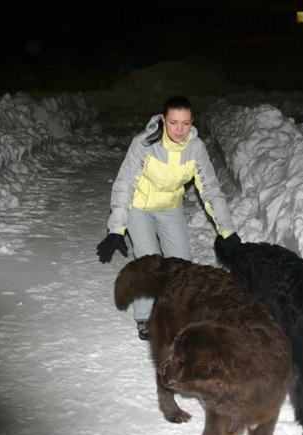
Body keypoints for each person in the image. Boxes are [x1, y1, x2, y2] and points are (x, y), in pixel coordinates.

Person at [96, 96, 236, 340]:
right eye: (173, 123)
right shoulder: (144, 144)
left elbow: (211, 189)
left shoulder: (196, 148)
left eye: (185, 123)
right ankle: (145, 316)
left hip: (170, 207)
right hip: (139, 207)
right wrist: (116, 228)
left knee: (182, 264)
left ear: (192, 122)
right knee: (150, 261)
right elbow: (124, 185)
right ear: (163, 120)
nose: (179, 130)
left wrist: (228, 231)